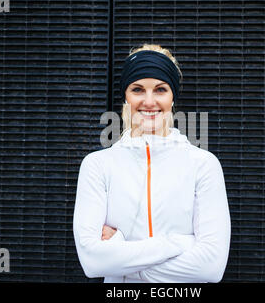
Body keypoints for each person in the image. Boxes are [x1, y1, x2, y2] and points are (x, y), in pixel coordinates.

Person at [73, 44, 231, 283]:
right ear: (126, 95)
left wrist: (120, 254)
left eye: (160, 90)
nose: (149, 101)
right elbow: (92, 263)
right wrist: (179, 243)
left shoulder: (203, 165)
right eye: (137, 89)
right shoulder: (97, 166)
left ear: (172, 96)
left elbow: (211, 267)